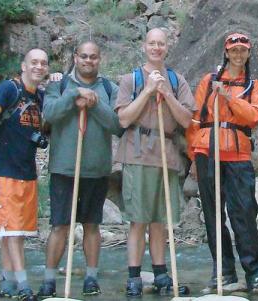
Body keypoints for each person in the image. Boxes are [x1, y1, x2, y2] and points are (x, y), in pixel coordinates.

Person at [186, 32, 258, 291]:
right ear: (226, 52)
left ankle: (255, 271)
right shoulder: (207, 81)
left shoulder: (253, 85)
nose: (237, 54)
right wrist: (193, 155)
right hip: (207, 152)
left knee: (244, 212)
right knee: (213, 215)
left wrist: (228, 97)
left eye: (242, 50)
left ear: (248, 53)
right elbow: (194, 120)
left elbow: (254, 117)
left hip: (238, 155)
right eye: (233, 50)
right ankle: (223, 271)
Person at [114, 27, 195, 297]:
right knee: (138, 219)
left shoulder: (177, 79)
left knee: (161, 219)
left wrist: (167, 94)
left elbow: (186, 120)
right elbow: (124, 119)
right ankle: (134, 276)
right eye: (152, 43)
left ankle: (161, 274)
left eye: (161, 43)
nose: (156, 48)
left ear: (167, 47)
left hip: (167, 156)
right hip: (138, 155)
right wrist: (148, 90)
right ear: (144, 46)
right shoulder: (130, 80)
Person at [37, 41, 121, 298]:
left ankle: (91, 279)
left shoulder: (109, 88)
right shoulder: (58, 84)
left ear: (99, 59)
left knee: (92, 225)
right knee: (60, 226)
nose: (88, 61)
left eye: (93, 57)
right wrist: (74, 96)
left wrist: (94, 104)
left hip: (96, 170)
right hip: (64, 168)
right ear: (75, 57)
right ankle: (49, 281)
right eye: (83, 56)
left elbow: (118, 125)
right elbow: (49, 114)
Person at [0, 48, 49, 301]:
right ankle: (25, 287)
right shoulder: (9, 89)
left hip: (26, 173)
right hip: (2, 171)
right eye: (34, 62)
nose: (39, 66)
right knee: (14, 232)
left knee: (13, 232)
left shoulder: (39, 96)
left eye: (43, 63)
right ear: (24, 66)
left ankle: (8, 286)